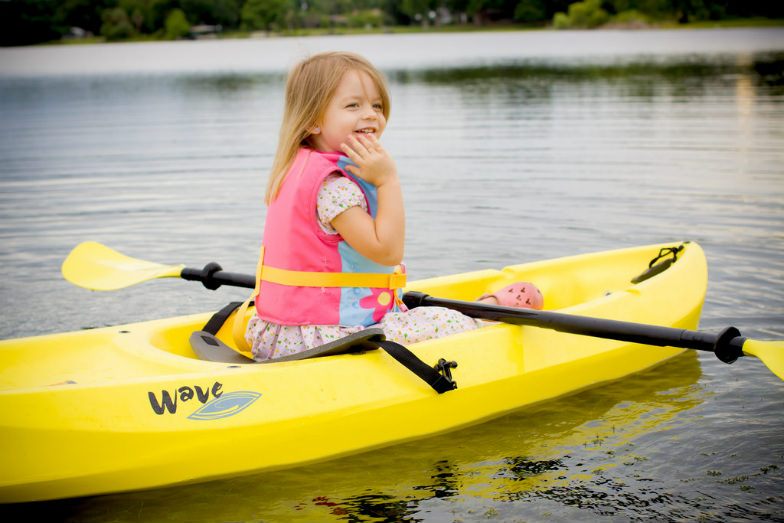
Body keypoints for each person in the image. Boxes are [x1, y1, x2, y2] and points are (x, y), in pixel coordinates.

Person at [244, 51, 542, 361]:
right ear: (312, 121)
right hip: (325, 335)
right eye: (353, 105)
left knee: (418, 312)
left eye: (377, 105)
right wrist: (388, 181)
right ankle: (488, 313)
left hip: (278, 332)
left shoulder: (296, 168)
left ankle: (482, 307)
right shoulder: (335, 187)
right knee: (449, 321)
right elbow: (387, 251)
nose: (371, 114)